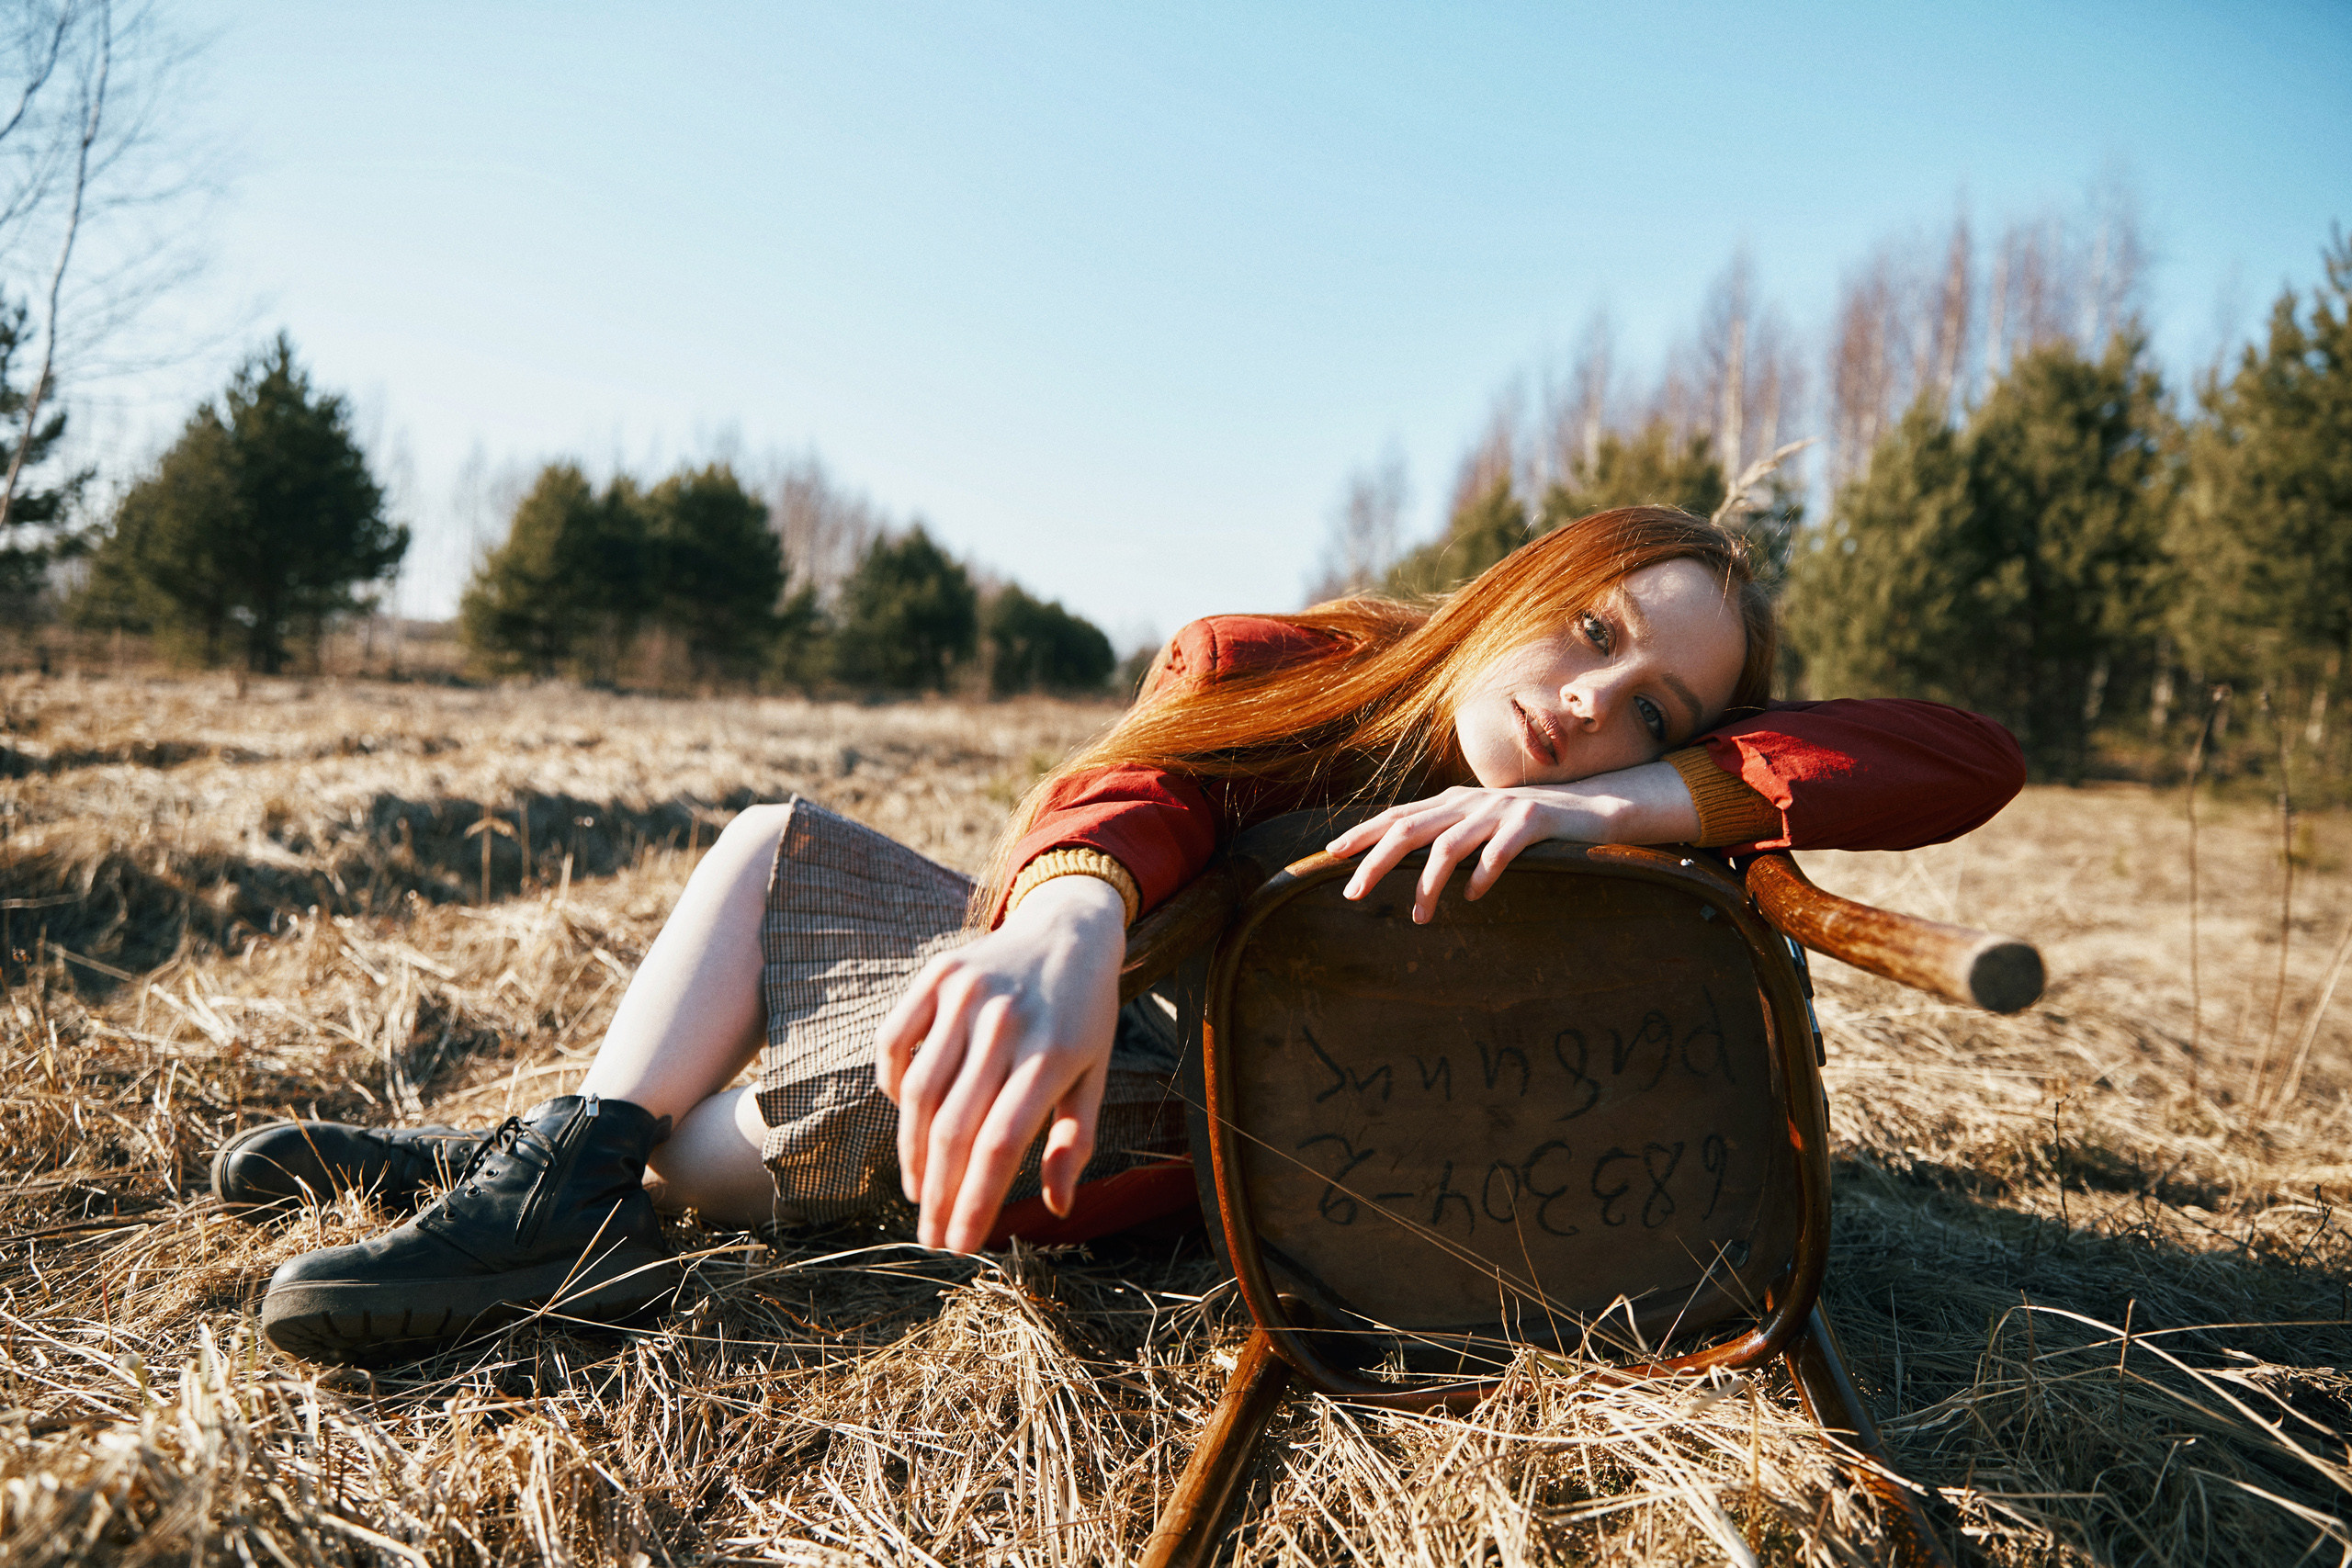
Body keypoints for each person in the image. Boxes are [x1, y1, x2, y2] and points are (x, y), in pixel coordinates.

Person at [219, 506, 2024, 1362]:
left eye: (1658, 700)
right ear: (1507, 601)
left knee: (712, 1149)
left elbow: (1962, 755)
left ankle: (551, 1170)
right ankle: (530, 1174)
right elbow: (1138, 791)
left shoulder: (1632, 802)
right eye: (1588, 633)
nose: (1593, 699)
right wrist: (1069, 917)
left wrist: (1622, 805)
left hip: (1182, 1126)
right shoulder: (1285, 665)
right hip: (1089, 1003)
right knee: (778, 842)